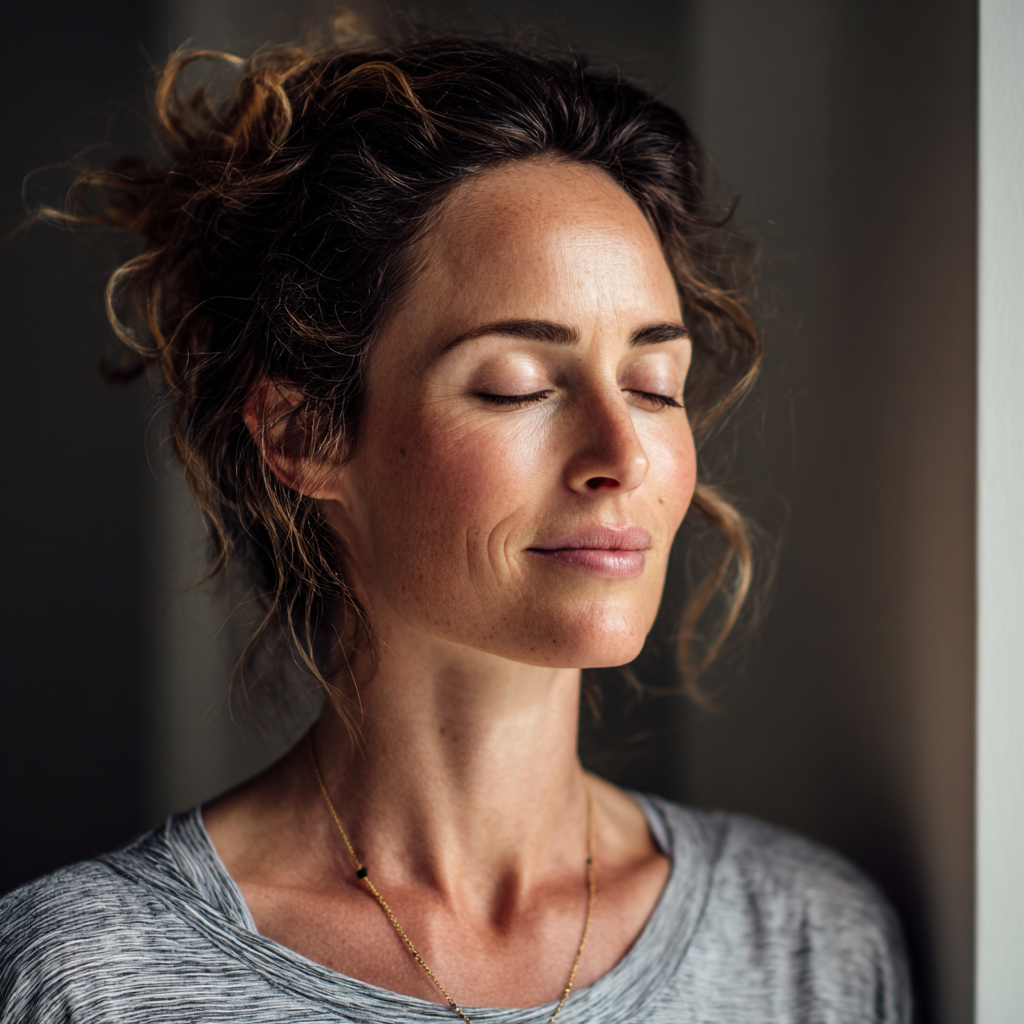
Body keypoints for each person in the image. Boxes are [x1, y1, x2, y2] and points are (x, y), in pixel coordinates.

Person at [0, 26, 910, 1023]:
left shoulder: (806, 940)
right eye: (517, 385)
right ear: (303, 432)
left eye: (654, 384)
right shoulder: (89, 979)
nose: (623, 452)